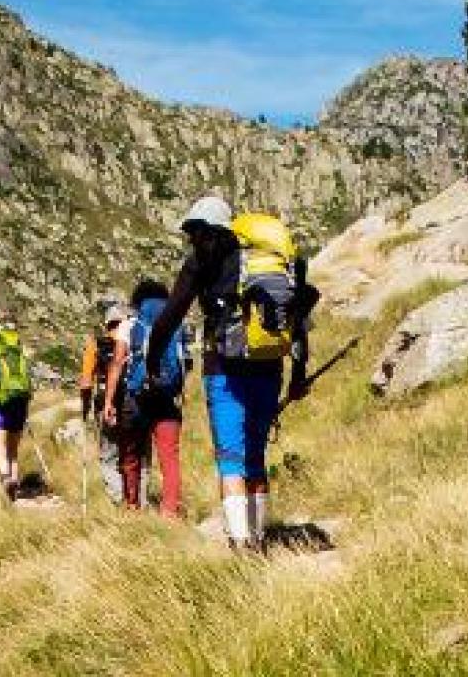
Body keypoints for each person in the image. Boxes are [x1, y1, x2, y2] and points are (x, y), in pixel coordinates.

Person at [142, 195, 309, 551]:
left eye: (195, 232)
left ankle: (240, 545)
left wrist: (153, 361)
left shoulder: (200, 263)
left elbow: (170, 316)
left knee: (231, 457)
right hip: (269, 367)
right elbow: (296, 319)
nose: (192, 240)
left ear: (207, 230)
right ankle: (259, 541)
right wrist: (299, 372)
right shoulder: (265, 259)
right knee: (255, 456)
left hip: (224, 371)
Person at [103, 279, 185, 517]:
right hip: (167, 399)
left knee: (131, 455)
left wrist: (109, 401)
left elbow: (117, 363)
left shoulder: (130, 325)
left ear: (138, 301)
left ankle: (132, 508)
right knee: (169, 458)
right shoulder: (175, 324)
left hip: (136, 400)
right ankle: (169, 512)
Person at [0, 317, 35, 499]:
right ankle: (14, 480)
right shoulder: (20, 350)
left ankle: (5, 478)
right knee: (13, 449)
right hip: (20, 401)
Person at [79, 307, 128, 504]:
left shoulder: (95, 345)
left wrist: (84, 407)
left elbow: (85, 382)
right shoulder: (131, 341)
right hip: (133, 403)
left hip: (105, 405)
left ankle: (117, 499)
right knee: (132, 452)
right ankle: (134, 499)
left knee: (109, 453)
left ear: (107, 324)